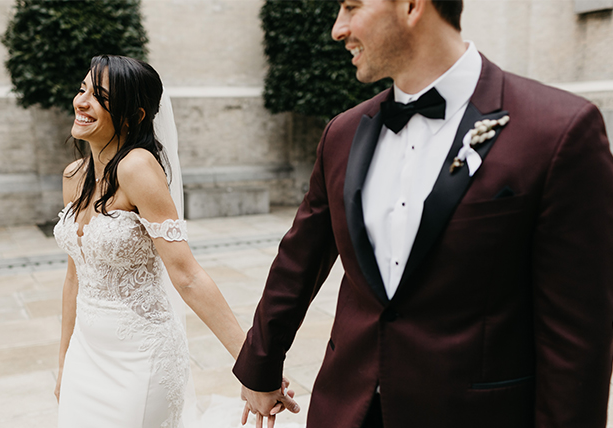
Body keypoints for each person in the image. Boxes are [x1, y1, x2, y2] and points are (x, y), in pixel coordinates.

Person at [234, 1, 613, 427]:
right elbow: (298, 259)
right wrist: (259, 365)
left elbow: (577, 339)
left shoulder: (559, 130)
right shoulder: (342, 132)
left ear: (413, 6)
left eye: (351, 7)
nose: (338, 29)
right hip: (346, 410)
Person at [53, 54, 248, 428]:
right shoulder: (73, 176)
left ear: (134, 115)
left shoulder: (138, 167)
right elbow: (74, 277)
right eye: (82, 89)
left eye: (100, 96)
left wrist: (252, 362)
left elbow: (187, 275)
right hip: (85, 355)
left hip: (140, 358)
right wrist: (63, 361)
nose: (81, 101)